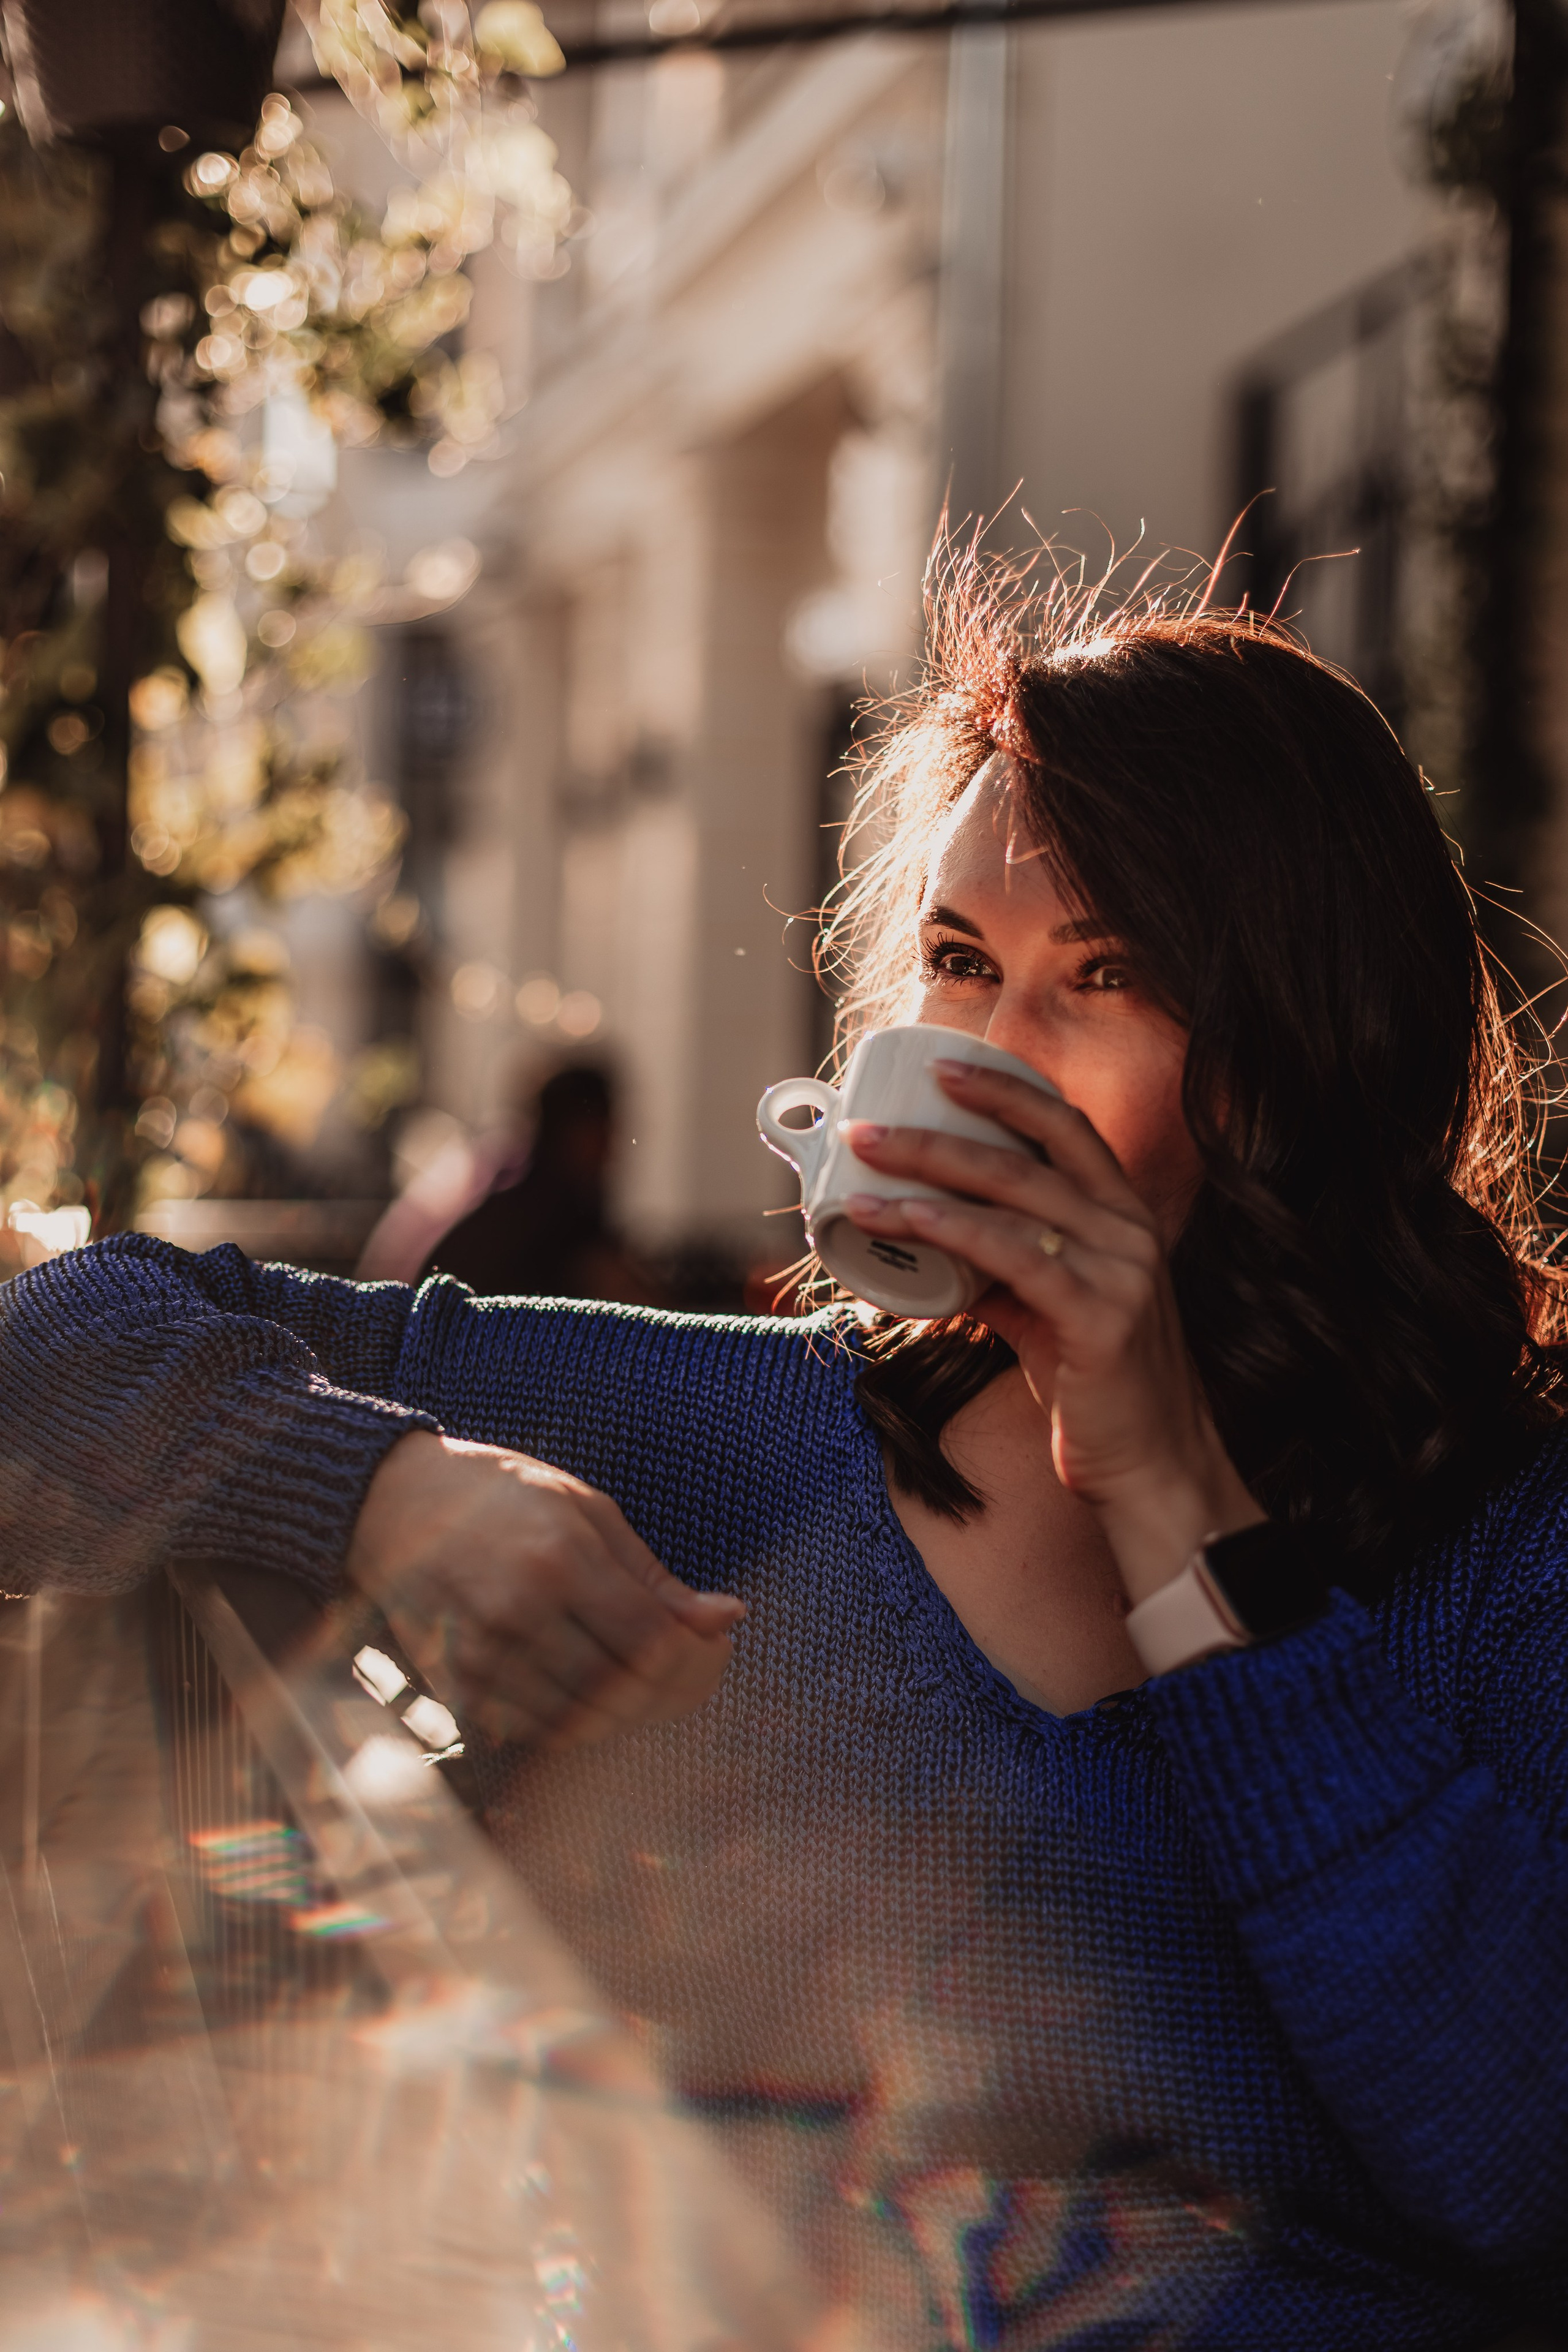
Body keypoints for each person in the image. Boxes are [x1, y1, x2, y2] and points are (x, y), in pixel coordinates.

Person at [6, 577, 1568, 2349]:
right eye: (961, 965)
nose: (987, 1055)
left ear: (1298, 1057)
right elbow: (51, 1347)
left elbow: (1523, 2184)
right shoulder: (750, 1441)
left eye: (1106, 975)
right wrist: (390, 1486)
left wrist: (1175, 1504)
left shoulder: (1504, 1553)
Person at [417, 1061, 660, 1302]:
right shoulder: (555, 1209)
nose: (614, 1144)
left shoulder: (525, 1195)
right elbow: (623, 1293)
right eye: (605, 1128)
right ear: (573, 1131)